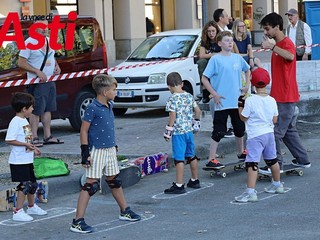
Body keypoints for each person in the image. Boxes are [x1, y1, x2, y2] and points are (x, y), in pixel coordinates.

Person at [70, 74, 141, 234]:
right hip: (97, 150)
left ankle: (125, 211)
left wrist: (113, 145)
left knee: (114, 180)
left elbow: (107, 128)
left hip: (109, 149)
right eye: (114, 89)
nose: (116, 92)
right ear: (104, 92)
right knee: (90, 185)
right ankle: (77, 221)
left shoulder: (109, 105)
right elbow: (84, 130)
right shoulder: (92, 108)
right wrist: (84, 152)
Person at [260, 12, 311, 170]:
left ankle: (276, 166)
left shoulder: (286, 42)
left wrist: (272, 47)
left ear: (277, 27)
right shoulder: (279, 44)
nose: (265, 32)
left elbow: (290, 56)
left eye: (267, 29)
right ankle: (303, 159)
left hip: (286, 96)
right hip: (281, 96)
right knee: (288, 131)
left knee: (275, 133)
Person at [201, 31, 250, 170]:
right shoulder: (215, 60)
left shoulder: (237, 58)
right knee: (219, 130)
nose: (230, 42)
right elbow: (204, 78)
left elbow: (247, 70)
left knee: (240, 128)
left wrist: (246, 86)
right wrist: (214, 94)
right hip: (222, 101)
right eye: (227, 40)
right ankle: (211, 158)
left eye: (231, 40)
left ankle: (241, 152)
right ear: (220, 43)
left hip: (236, 100)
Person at [235, 68, 284, 203]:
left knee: (252, 163)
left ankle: (250, 192)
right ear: (268, 83)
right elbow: (275, 120)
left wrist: (240, 104)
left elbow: (243, 117)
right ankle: (277, 184)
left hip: (255, 135)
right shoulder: (272, 100)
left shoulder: (250, 100)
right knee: (272, 160)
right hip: (269, 133)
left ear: (253, 84)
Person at [18, 20, 63, 147]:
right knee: (35, 110)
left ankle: (48, 136)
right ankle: (34, 137)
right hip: (36, 83)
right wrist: (36, 71)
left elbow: (51, 56)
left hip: (49, 81)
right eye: (42, 27)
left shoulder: (49, 40)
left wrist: (57, 66)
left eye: (46, 27)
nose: (45, 29)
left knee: (48, 109)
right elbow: (21, 63)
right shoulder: (28, 43)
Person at [5, 92, 47, 222]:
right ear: (24, 109)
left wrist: (33, 148)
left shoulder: (24, 121)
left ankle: (31, 206)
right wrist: (25, 145)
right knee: (24, 185)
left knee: (32, 184)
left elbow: (26, 140)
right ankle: (17, 211)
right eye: (31, 107)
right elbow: (9, 140)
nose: (33, 109)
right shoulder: (16, 122)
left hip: (27, 159)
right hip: (18, 161)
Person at [163, 72, 201, 194]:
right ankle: (195, 179)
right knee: (191, 155)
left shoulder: (172, 98)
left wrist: (168, 130)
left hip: (178, 132)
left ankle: (179, 184)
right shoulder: (189, 96)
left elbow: (172, 115)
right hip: (189, 131)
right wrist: (196, 123)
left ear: (169, 87)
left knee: (179, 158)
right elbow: (198, 110)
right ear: (182, 84)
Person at [198, 21, 221, 103]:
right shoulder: (205, 41)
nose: (211, 33)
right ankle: (205, 91)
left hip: (219, 62)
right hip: (208, 63)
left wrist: (214, 55)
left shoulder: (220, 39)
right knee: (201, 62)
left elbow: (224, 53)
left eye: (213, 31)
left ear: (217, 31)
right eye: (209, 31)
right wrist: (214, 54)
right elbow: (201, 55)